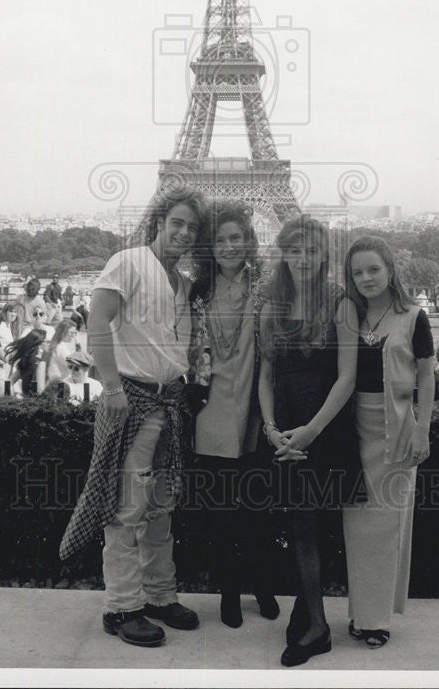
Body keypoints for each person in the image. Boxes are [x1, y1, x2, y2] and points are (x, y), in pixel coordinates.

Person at [59, 188, 209, 649]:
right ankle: (122, 606)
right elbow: (97, 323)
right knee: (127, 507)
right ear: (159, 222)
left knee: (160, 506)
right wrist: (113, 387)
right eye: (177, 223)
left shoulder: (181, 283)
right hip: (136, 399)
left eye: (191, 227)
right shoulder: (127, 261)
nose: (183, 233)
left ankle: (160, 595)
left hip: (169, 402)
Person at [258, 214, 362, 668]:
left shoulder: (340, 303)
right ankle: (310, 613)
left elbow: (347, 377)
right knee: (301, 527)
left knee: (317, 528)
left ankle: (316, 626)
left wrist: (312, 431)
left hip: (324, 427)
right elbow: (266, 375)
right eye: (294, 249)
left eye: (312, 250)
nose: (302, 259)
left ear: (324, 255)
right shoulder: (270, 305)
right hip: (285, 431)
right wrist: (270, 427)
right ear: (283, 253)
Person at [339, 236, 435, 651]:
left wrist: (423, 429)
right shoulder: (348, 315)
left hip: (396, 428)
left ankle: (375, 620)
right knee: (357, 526)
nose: (366, 278)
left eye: (373, 269)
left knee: (387, 526)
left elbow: (428, 375)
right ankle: (361, 613)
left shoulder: (414, 317)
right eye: (358, 272)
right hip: (352, 429)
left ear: (390, 269)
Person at [187, 201, 278, 629]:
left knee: (258, 509)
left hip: (256, 405)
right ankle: (228, 591)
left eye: (236, 238)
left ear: (249, 242)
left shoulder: (267, 285)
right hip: (213, 406)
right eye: (220, 240)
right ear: (211, 246)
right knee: (222, 512)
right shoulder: (197, 291)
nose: (228, 246)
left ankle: (261, 584)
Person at [6, 328, 47, 396]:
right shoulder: (40, 363)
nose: (49, 343)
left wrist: (13, 397)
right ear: (40, 343)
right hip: (37, 403)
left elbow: (9, 382)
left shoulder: (25, 360)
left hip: (26, 400)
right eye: (47, 341)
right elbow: (40, 390)